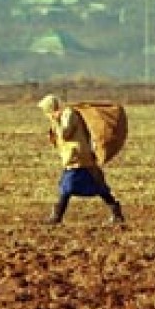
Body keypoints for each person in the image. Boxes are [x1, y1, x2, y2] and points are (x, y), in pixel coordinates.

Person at [37, 94, 125, 224]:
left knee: (67, 187)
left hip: (78, 157)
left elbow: (65, 134)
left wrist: (55, 121)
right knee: (97, 185)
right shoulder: (62, 115)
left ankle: (56, 217)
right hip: (75, 157)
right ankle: (116, 212)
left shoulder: (68, 113)